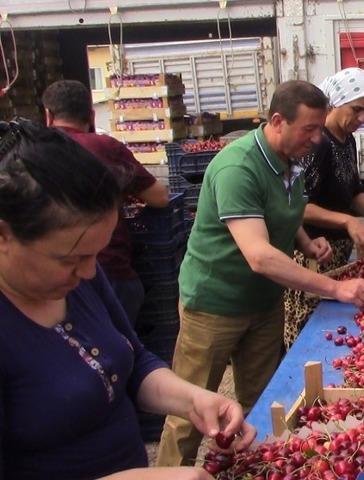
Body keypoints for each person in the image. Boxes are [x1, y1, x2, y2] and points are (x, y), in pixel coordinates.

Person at [0, 119, 254, 480]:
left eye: (96, 253)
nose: (90, 272)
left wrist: (194, 399)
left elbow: (132, 361)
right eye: (70, 259)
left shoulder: (80, 279)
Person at [157, 80, 364, 467]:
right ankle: (168, 474)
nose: (317, 138)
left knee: (260, 403)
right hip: (215, 304)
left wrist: (306, 242)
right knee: (191, 412)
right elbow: (259, 255)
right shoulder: (238, 167)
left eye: (319, 127)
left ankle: (254, 470)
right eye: (309, 129)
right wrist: (335, 288)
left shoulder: (290, 160)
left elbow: (283, 209)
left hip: (263, 302)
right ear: (277, 121)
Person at [283, 67, 364, 346]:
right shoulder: (318, 143)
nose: (362, 118)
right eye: (357, 109)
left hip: (337, 253)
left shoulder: (347, 140)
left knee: (337, 325)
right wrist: (348, 221)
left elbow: (353, 189)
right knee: (309, 328)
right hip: (313, 252)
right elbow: (298, 206)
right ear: (335, 102)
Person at [41, 79, 171, 326]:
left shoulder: (31, 152)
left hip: (52, 279)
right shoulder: (105, 147)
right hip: (112, 272)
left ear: (48, 116)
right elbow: (159, 197)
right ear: (91, 115)